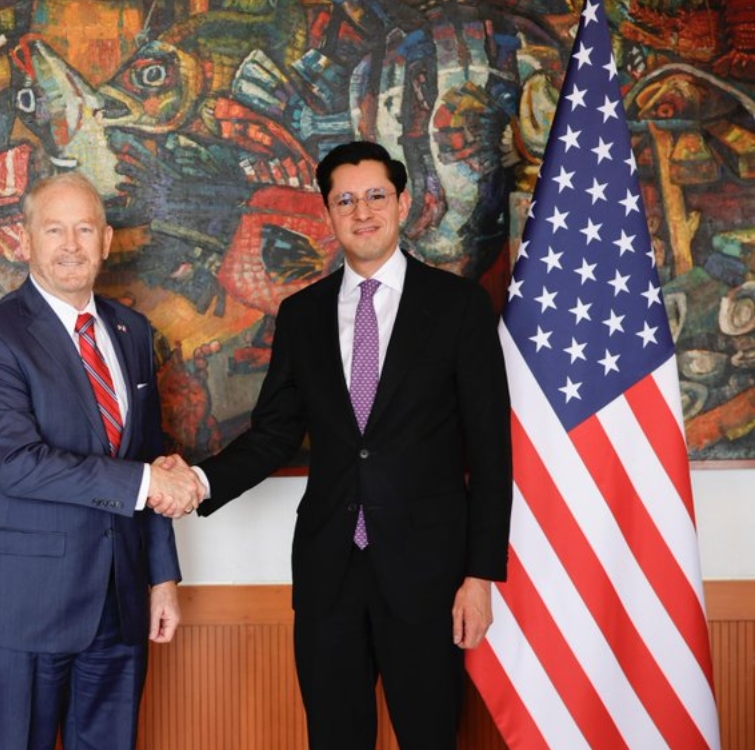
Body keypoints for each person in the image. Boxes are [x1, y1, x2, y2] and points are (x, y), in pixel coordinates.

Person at [182, 141, 513, 749]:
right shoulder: (302, 314)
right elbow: (275, 432)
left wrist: (480, 576)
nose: (363, 212)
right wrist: (199, 483)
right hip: (328, 574)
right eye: (346, 201)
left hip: (429, 577)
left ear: (403, 204)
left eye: (376, 196)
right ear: (329, 213)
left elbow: (492, 454)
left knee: (430, 738)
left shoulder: (458, 306)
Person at [0, 171, 201, 750]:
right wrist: (149, 480)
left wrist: (162, 578)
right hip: (22, 608)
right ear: (25, 240)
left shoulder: (132, 331)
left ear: (106, 241)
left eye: (84, 229)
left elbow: (147, 455)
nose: (71, 245)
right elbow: (19, 463)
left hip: (119, 605)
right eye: (54, 230)